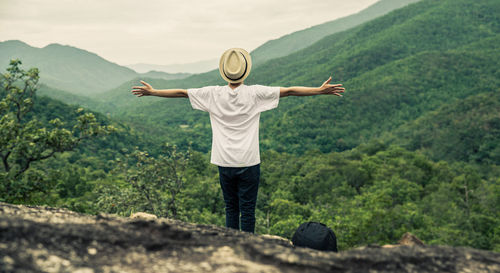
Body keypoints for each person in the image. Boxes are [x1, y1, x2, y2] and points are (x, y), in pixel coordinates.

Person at [131, 48, 345, 233]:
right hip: (249, 161)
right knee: (248, 210)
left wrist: (153, 92)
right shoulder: (256, 93)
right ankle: (249, 247)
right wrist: (319, 90)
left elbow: (181, 92)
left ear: (225, 74)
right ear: (245, 72)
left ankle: (232, 245)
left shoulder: (212, 94)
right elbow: (289, 91)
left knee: (231, 207)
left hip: (224, 161)